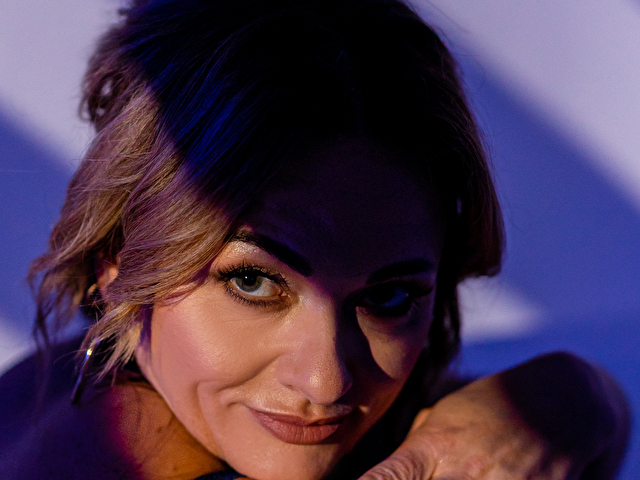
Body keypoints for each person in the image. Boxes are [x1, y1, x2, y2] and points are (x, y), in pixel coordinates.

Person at [0, 0, 629, 479]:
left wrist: (578, 398)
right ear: (116, 257)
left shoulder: (61, 383)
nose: (326, 383)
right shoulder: (121, 444)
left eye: (389, 297)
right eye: (252, 282)